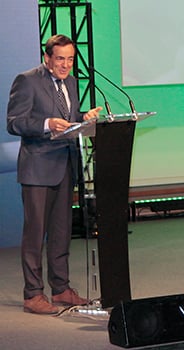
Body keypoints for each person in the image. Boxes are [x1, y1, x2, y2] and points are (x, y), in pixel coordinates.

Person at [6, 34, 103, 314]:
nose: (65, 65)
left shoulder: (71, 82)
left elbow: (68, 117)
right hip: (37, 168)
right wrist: (47, 124)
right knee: (35, 234)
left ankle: (60, 289)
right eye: (60, 59)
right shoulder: (27, 81)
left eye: (70, 59)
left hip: (65, 165)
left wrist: (82, 118)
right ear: (47, 58)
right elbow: (14, 123)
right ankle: (32, 294)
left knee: (61, 233)